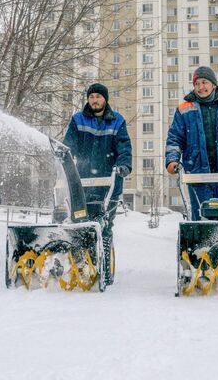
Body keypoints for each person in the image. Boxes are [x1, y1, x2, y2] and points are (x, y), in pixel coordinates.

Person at [63, 83, 132, 285]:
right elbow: (69, 145)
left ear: (105, 99)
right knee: (80, 223)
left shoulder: (117, 121)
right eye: (91, 97)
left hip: (109, 183)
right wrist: (64, 157)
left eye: (98, 97)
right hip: (82, 183)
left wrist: (124, 165)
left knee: (105, 225)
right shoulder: (78, 120)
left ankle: (104, 267)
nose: (94, 100)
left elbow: (124, 147)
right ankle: (80, 263)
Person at [165, 66, 218, 220]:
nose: (200, 87)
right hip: (198, 172)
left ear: (213, 84)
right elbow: (175, 137)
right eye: (197, 84)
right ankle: (200, 244)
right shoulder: (184, 108)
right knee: (201, 216)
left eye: (204, 82)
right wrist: (172, 160)